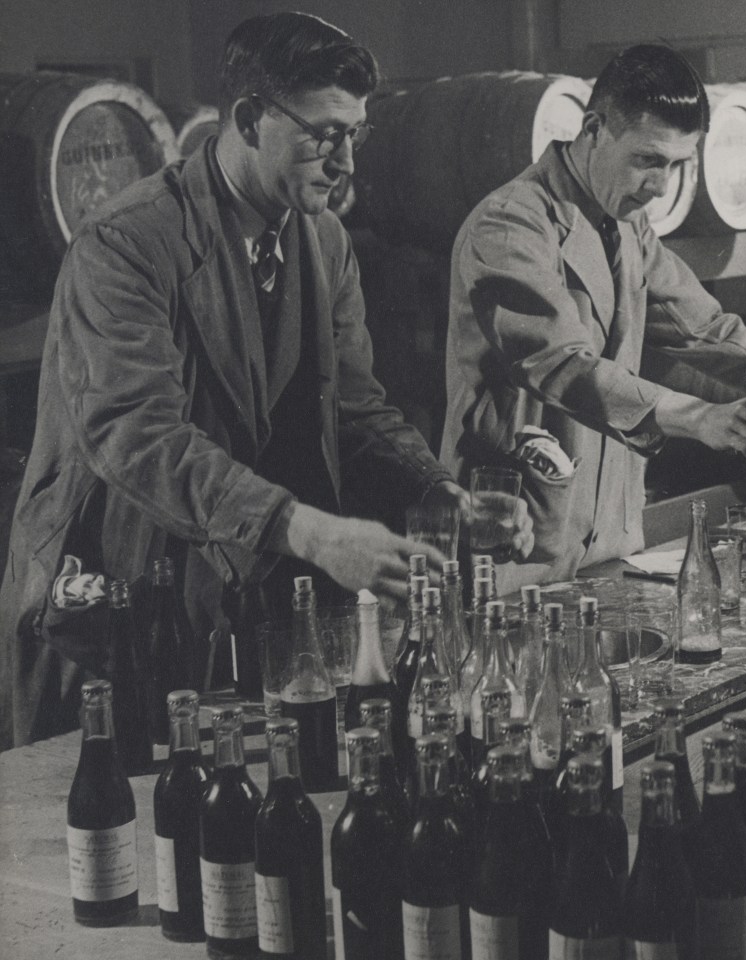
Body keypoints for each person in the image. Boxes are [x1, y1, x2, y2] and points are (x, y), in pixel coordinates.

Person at [0, 12, 531, 750]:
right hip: (110, 605)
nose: (346, 161)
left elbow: (355, 408)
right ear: (250, 118)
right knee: (110, 832)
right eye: (325, 133)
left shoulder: (323, 238)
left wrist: (440, 493)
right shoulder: (125, 242)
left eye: (356, 134)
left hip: (227, 596)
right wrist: (307, 530)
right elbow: (136, 436)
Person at [441, 44, 746, 585]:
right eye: (648, 160)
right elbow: (562, 364)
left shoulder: (626, 226)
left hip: (607, 539)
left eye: (678, 165)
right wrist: (699, 416)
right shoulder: (509, 223)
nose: (660, 187)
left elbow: (704, 328)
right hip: (519, 548)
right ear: (592, 129)